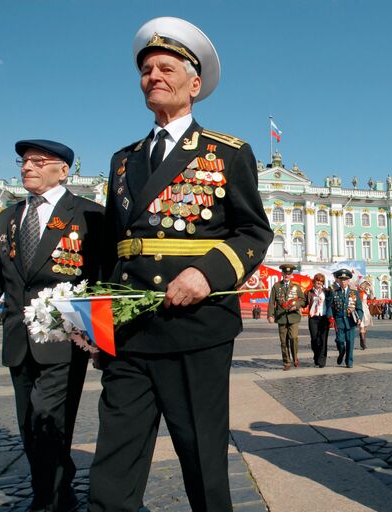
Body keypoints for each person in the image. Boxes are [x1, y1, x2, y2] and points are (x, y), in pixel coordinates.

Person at [88, 17, 272, 512]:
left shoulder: (227, 153)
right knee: (113, 463)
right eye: (146, 69)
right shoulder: (123, 160)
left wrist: (206, 273)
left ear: (194, 84)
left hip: (195, 327)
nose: (153, 76)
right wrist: (96, 317)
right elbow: (112, 247)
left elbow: (254, 232)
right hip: (130, 331)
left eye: (165, 67)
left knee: (202, 460)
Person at [0, 139, 103, 511]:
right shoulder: (10, 216)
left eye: (38, 161)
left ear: (62, 170)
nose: (27, 166)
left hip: (65, 340)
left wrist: (102, 338)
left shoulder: (88, 214)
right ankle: (59, 493)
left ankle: (46, 501)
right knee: (30, 425)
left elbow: (100, 277)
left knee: (48, 419)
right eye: (24, 161)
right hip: (18, 339)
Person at [267, 263, 307, 370]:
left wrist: (296, 306)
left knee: (293, 337)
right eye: (285, 273)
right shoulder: (276, 286)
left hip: (293, 316)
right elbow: (271, 302)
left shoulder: (296, 286)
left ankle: (295, 358)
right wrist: (270, 315)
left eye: (289, 273)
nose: (287, 275)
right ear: (282, 273)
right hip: (281, 317)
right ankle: (286, 362)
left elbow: (303, 300)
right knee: (283, 341)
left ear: (291, 274)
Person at [326, 269, 363, 368]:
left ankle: (349, 361)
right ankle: (341, 353)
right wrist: (330, 317)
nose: (343, 281)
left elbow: (359, 308)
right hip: (339, 321)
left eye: (345, 279)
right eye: (341, 279)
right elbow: (330, 306)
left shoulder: (354, 293)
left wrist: (359, 318)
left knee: (350, 342)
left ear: (348, 281)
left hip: (350, 321)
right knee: (340, 341)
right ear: (338, 280)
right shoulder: (335, 292)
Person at [305, 273, 330, 367]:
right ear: (314, 282)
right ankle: (316, 355)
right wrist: (296, 305)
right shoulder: (309, 292)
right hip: (313, 318)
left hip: (324, 318)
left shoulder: (327, 292)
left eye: (321, 281)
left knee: (323, 340)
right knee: (315, 339)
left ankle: (322, 360)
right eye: (317, 281)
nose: (319, 283)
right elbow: (303, 302)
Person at [357, 280, 373, 349]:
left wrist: (371, 290)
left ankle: (363, 342)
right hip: (361, 310)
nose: (362, 288)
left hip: (365, 310)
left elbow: (372, 297)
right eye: (361, 286)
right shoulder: (357, 293)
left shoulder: (365, 293)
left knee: (364, 327)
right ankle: (363, 342)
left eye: (363, 287)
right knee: (362, 327)